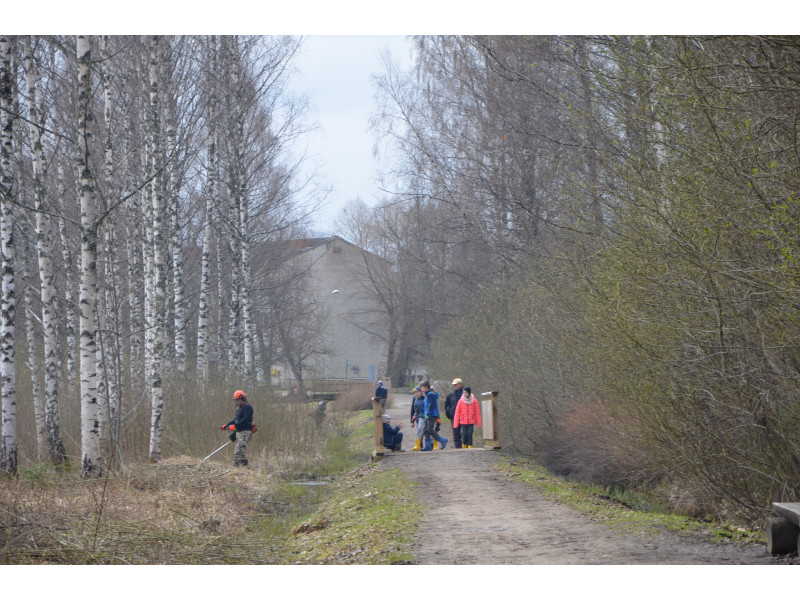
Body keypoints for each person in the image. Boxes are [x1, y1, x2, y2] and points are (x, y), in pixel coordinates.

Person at [221, 389, 255, 467]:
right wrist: (227, 425)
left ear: (242, 399)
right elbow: (236, 420)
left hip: (246, 432)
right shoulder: (239, 409)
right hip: (239, 432)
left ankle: (245, 466)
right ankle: (235, 466)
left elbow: (245, 419)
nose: (236, 402)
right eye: (235, 400)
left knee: (240, 450)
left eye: (238, 400)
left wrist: (235, 426)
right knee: (238, 450)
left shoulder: (248, 407)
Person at [419, 380, 447, 451]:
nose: (421, 390)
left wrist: (428, 413)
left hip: (431, 415)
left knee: (429, 429)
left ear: (426, 387)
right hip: (427, 415)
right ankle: (428, 446)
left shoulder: (430, 394)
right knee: (425, 430)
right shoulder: (427, 394)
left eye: (422, 388)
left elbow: (432, 405)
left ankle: (442, 440)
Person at [444, 378, 465, 449]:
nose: (454, 386)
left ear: (460, 384)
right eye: (454, 385)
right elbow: (446, 404)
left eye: (456, 384)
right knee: (456, 434)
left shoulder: (466, 393)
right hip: (454, 416)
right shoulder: (451, 394)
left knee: (464, 433)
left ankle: (466, 447)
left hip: (464, 416)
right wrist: (449, 412)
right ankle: (458, 448)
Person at [409, 386, 426, 451]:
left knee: (428, 431)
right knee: (419, 430)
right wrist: (412, 420)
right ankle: (419, 445)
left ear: (420, 392)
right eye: (414, 393)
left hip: (427, 417)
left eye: (416, 392)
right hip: (420, 417)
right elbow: (414, 410)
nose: (415, 394)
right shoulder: (415, 399)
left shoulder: (425, 397)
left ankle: (432, 445)